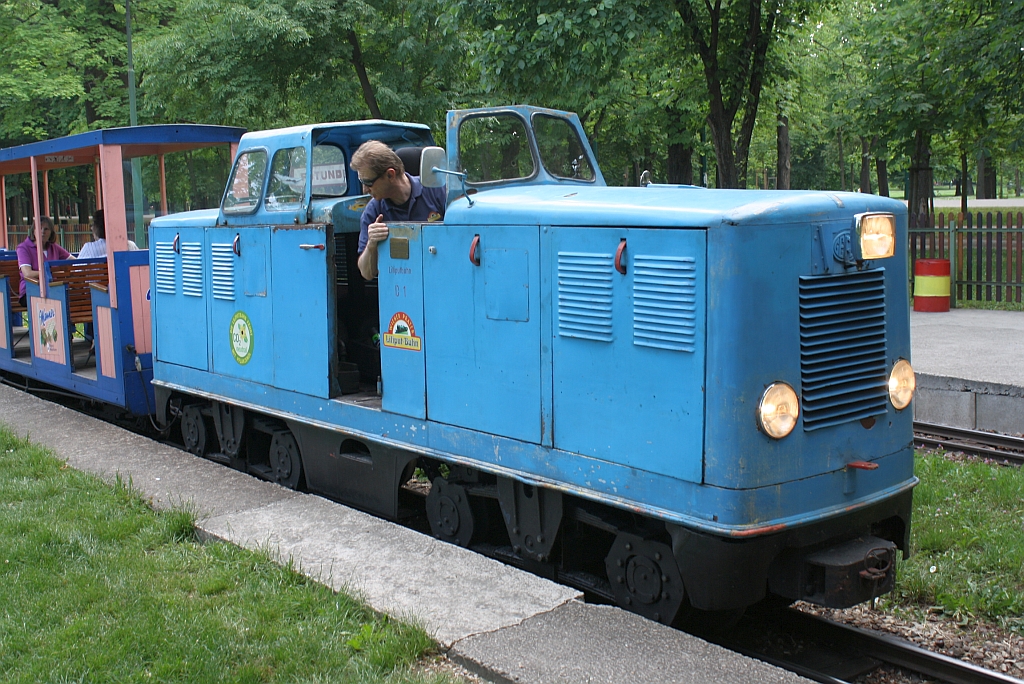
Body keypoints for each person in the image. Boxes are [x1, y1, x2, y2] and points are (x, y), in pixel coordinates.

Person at [350, 141, 446, 280]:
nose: (365, 190)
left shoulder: (437, 190)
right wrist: (371, 244)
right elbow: (367, 273)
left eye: (369, 183)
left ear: (390, 175)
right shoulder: (373, 211)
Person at [16, 216, 71, 307]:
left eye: (46, 229)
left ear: (51, 232)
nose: (42, 232)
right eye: (39, 228)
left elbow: (74, 261)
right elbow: (27, 273)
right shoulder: (23, 248)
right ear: (34, 230)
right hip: (30, 291)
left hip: (54, 288)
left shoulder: (54, 247)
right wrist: (48, 273)